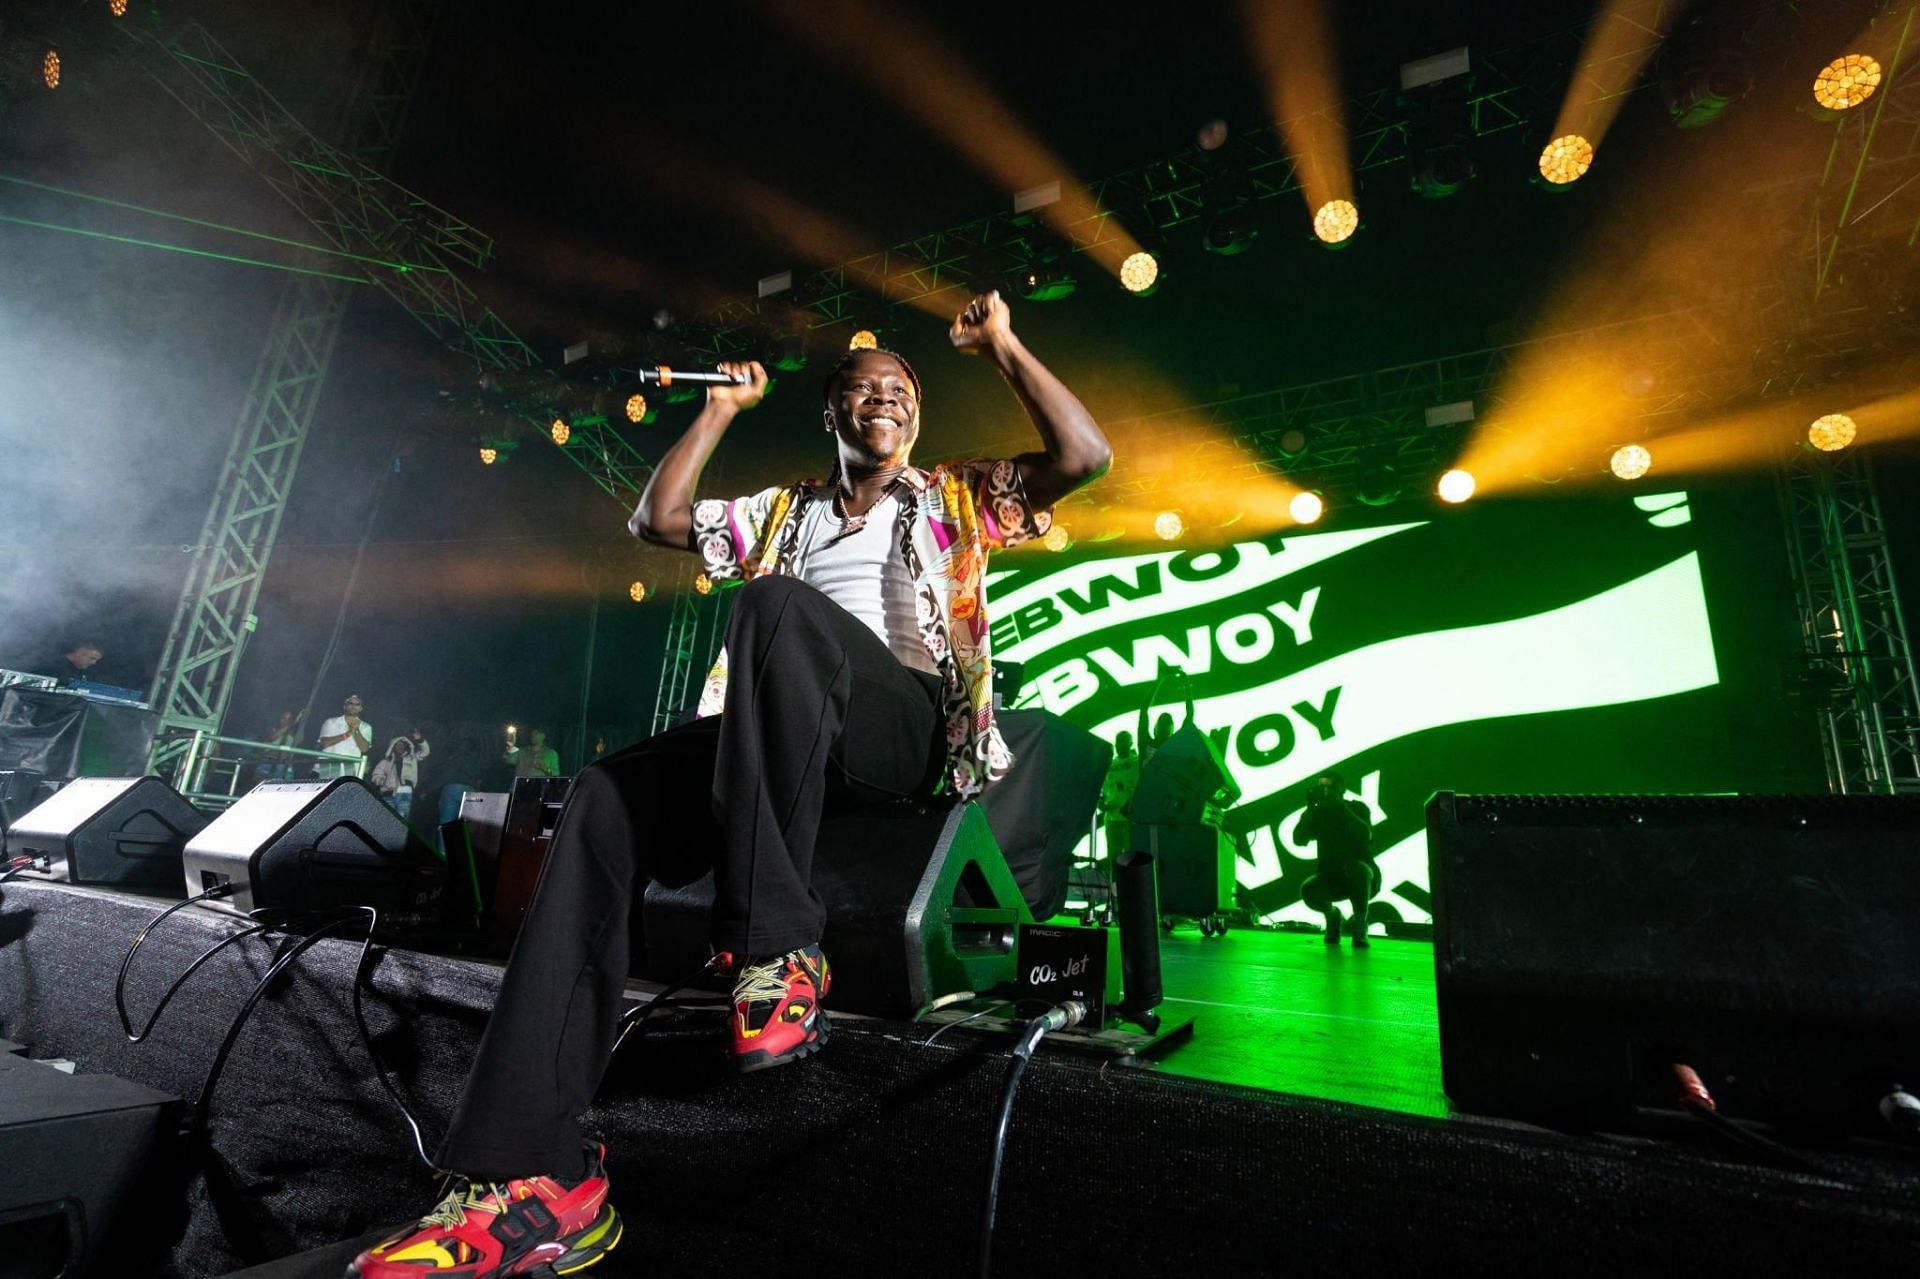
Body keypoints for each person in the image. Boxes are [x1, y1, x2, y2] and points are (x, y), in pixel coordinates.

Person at [349, 291, 1110, 1277]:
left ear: (915, 418)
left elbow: (1085, 456)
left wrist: (1003, 345)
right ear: (831, 415)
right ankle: (531, 1179)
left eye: (900, 391)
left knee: (777, 606)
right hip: (778, 733)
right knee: (604, 799)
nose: (883, 398)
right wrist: (717, 413)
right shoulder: (783, 508)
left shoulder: (957, 495)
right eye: (862, 390)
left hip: (904, 732)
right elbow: (654, 518)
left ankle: (777, 952)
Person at [1297, 771, 1380, 948]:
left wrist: (1340, 807)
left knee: (1355, 868)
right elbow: (1298, 839)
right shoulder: (1318, 814)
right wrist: (1310, 808)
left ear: (1342, 788)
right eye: (1322, 787)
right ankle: (1333, 916)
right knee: (1308, 890)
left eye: (1330, 786)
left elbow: (1366, 835)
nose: (1326, 790)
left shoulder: (1357, 808)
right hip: (1331, 877)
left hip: (1363, 876)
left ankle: (1359, 924)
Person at [371, 730, 431, 818]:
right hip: (388, 793)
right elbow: (376, 775)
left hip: (405, 793)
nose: (400, 747)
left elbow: (426, 752)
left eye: (402, 745)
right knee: (386, 818)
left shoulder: (412, 758)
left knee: (402, 819)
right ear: (392, 746)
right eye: (398, 744)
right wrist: (380, 781)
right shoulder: (385, 761)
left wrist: (420, 740)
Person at [314, 694, 371, 780]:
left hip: (349, 770)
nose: (353, 706)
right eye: (350, 703)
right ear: (345, 706)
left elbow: (364, 749)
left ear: (361, 708)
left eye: (357, 704)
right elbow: (324, 743)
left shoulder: (366, 727)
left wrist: (356, 730)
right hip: (327, 766)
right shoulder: (331, 722)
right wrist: (347, 734)